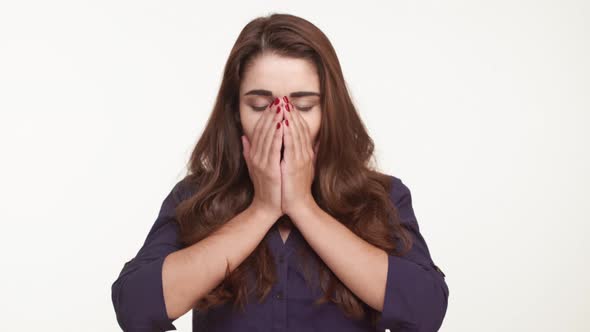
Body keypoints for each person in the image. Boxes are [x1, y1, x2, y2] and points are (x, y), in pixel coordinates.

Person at [111, 13, 449, 332]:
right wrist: (263, 208)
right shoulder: (196, 196)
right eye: (259, 105)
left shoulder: (381, 198)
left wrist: (302, 206)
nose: (283, 122)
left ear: (330, 110)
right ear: (235, 111)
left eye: (304, 105)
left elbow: (426, 309)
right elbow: (135, 307)